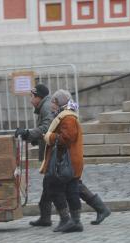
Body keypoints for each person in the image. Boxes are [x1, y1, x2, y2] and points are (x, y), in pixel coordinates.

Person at [15, 85, 111, 227]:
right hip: (59, 157)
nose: (30, 100)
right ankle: (55, 217)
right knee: (58, 185)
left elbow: (53, 132)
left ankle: (68, 218)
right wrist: (38, 138)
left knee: (59, 186)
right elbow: (52, 130)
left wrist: (35, 135)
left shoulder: (62, 114)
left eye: (32, 96)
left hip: (63, 159)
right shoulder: (58, 111)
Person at [40, 89, 84, 232]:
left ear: (58, 102)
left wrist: (49, 137)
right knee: (70, 190)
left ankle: (70, 220)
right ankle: (72, 221)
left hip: (68, 161)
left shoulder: (68, 118)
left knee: (57, 188)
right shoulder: (64, 116)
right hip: (69, 160)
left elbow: (66, 139)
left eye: (53, 101)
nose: (51, 104)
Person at [15, 84, 54, 226]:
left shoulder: (46, 106)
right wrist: (34, 139)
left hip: (55, 152)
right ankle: (45, 217)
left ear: (39, 97)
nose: (31, 99)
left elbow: (46, 127)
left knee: (63, 186)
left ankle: (98, 207)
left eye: (32, 96)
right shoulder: (44, 106)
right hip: (51, 150)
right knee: (50, 184)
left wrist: (28, 133)